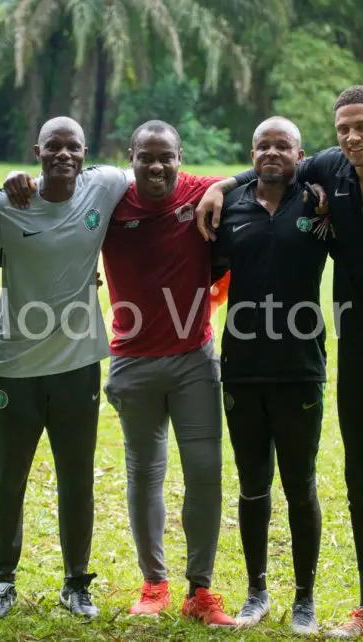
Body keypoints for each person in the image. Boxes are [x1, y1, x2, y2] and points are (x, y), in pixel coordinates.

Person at [196, 86, 363, 642]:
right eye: (343, 128)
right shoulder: (332, 168)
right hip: (359, 352)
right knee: (362, 479)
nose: (352, 137)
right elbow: (273, 167)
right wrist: (223, 185)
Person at [0, 117, 133, 621]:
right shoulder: (9, 204)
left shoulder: (104, 186)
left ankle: (76, 583)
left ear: (84, 152)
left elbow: (163, 177)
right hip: (16, 363)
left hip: (77, 364)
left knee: (77, 476)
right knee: (7, 479)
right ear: (37, 151)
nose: (63, 155)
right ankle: (3, 582)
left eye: (72, 147)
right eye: (53, 147)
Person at [102, 120, 236, 626]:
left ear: (180, 157)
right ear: (130, 157)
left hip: (194, 360)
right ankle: (154, 583)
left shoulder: (200, 190)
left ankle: (199, 591)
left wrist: (221, 186)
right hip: (132, 361)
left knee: (204, 473)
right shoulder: (111, 201)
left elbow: (252, 176)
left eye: (167, 157)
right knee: (145, 474)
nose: (156, 166)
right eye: (146, 157)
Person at [210, 117, 329, 634]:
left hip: (301, 368)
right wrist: (221, 184)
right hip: (242, 368)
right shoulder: (229, 207)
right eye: (264, 145)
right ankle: (256, 591)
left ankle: (304, 599)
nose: (273, 153)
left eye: (284, 145)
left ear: (300, 154)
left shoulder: (322, 202)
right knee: (252, 483)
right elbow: (202, 271)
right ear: (251, 151)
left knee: (300, 486)